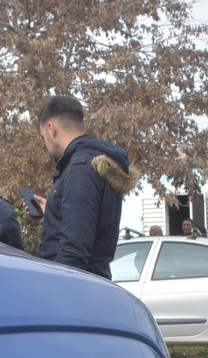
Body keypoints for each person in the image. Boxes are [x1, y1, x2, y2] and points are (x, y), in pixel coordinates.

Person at [32, 94, 137, 278]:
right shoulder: (92, 162)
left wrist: (55, 290)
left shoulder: (80, 168)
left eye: (43, 138)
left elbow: (74, 250)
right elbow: (87, 224)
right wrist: (51, 213)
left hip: (72, 289)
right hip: (90, 284)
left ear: (51, 128)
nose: (46, 145)